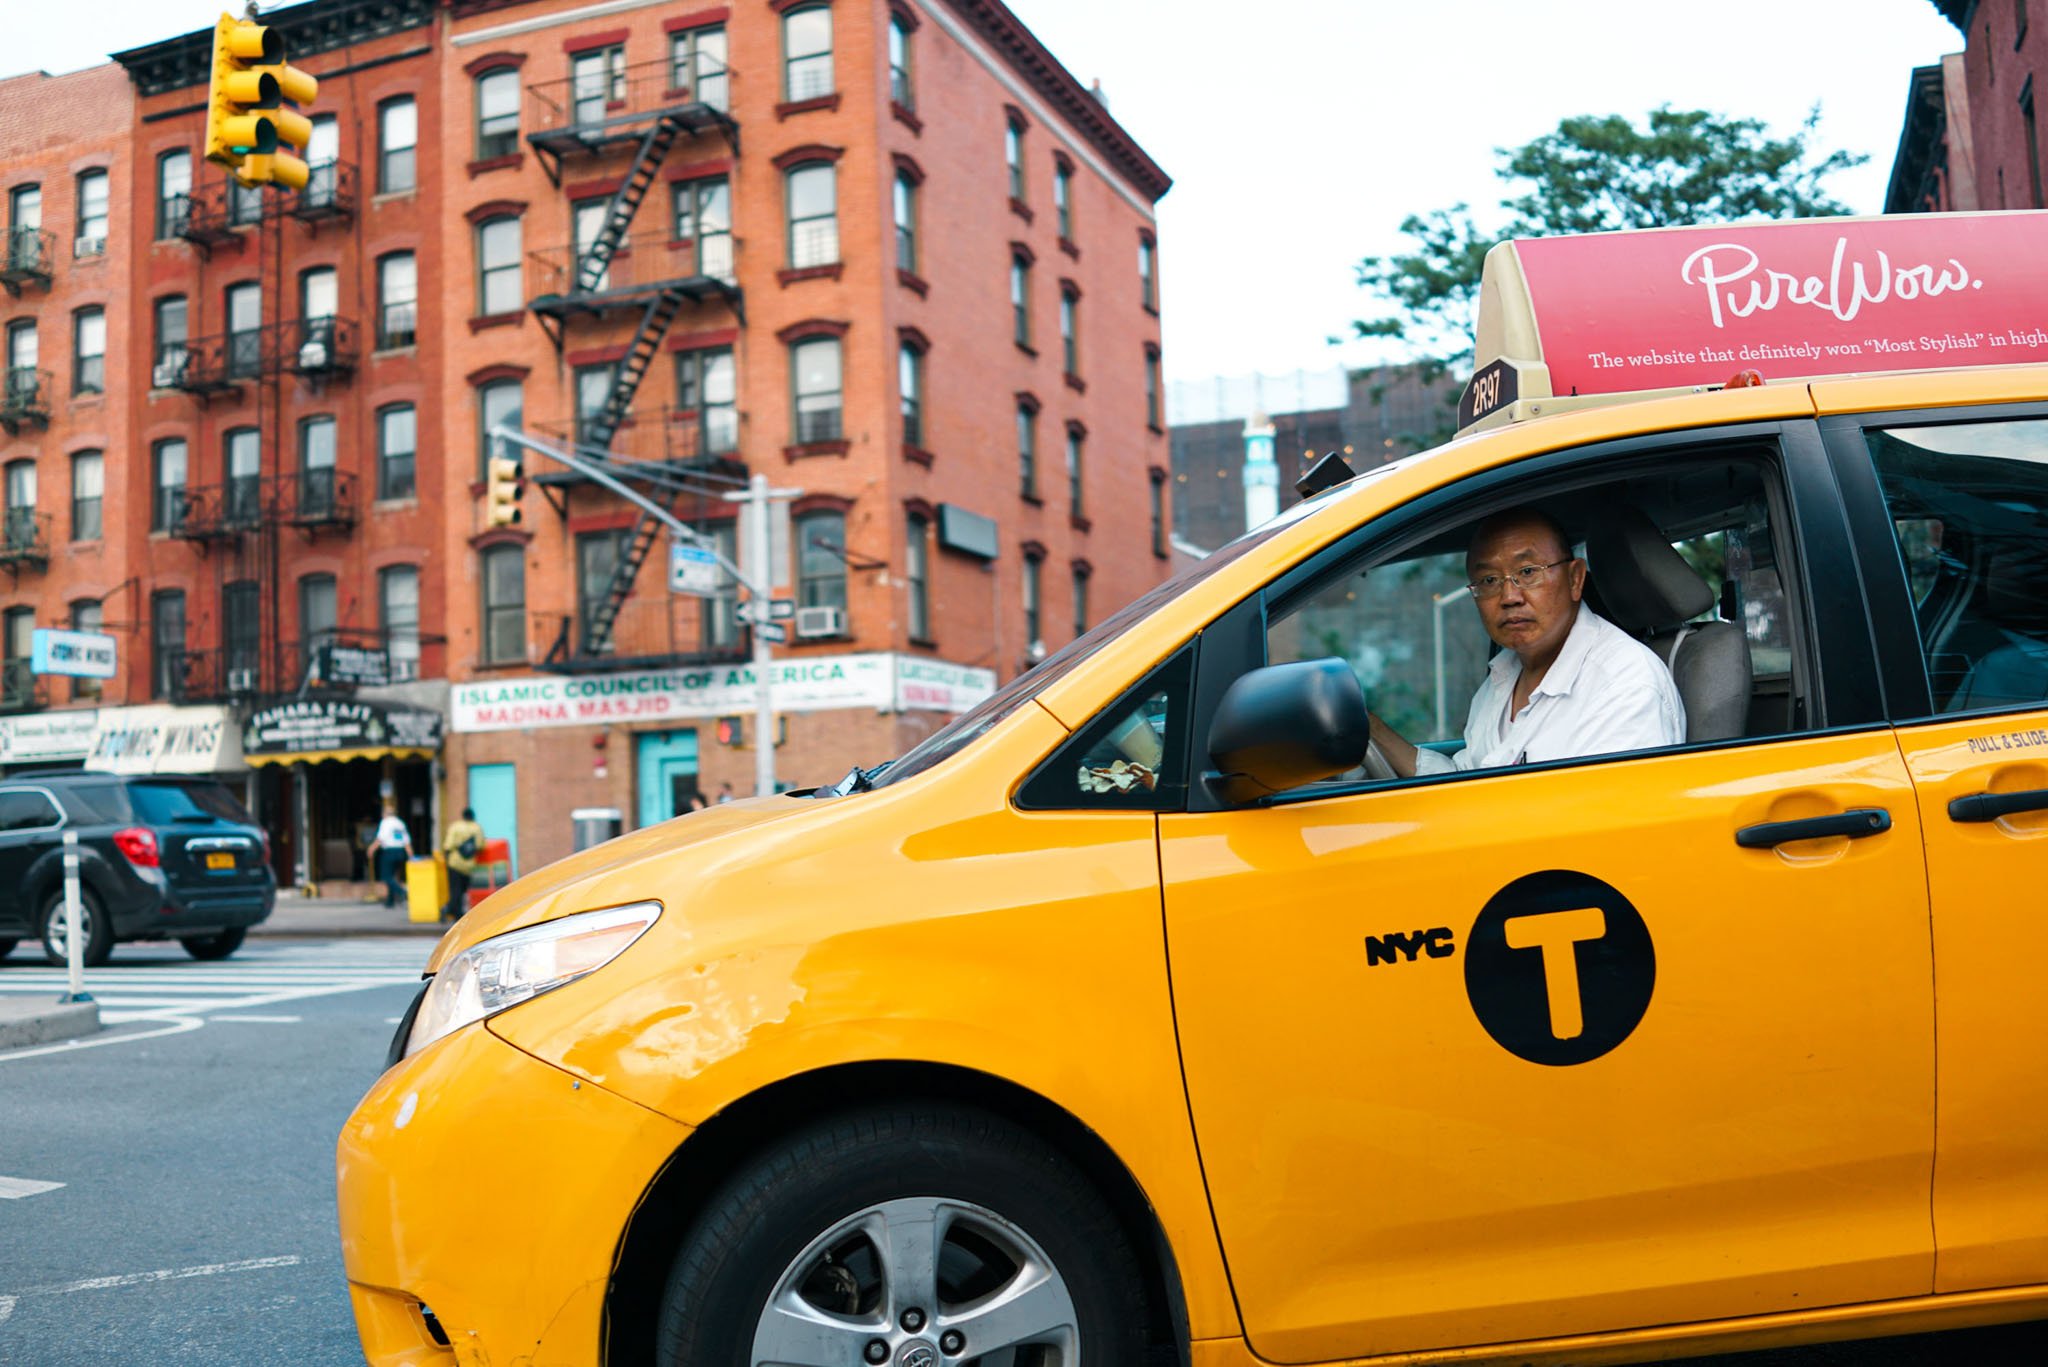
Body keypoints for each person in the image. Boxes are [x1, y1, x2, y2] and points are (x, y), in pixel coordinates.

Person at [1368, 507, 1685, 777]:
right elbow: (1466, 785)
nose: (1509, 597)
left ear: (1575, 579)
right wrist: (1371, 731)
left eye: (1528, 571)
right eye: (1489, 580)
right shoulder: (1505, 674)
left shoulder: (1623, 687)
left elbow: (1607, 833)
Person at [441, 807, 485, 922]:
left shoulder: (455, 827)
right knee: (463, 890)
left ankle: (448, 910)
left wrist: (446, 857)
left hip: (455, 863)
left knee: (455, 889)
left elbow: (448, 845)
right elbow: (480, 845)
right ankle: (457, 913)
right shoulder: (477, 828)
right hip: (468, 865)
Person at [369, 801, 413, 909]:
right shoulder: (400, 823)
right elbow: (406, 840)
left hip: (389, 852)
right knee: (392, 876)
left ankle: (402, 892)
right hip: (400, 852)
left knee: (386, 876)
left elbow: (381, 838)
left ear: (385, 814)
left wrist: (372, 848)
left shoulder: (386, 822)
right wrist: (410, 854)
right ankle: (390, 901)